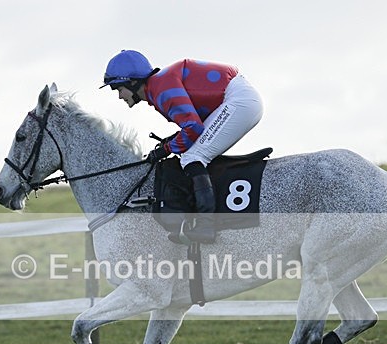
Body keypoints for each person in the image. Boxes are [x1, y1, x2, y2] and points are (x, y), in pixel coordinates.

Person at [100, 50, 264, 244]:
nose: (119, 96)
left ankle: (206, 225)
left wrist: (166, 149)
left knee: (193, 156)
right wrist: (171, 142)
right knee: (191, 151)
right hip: (237, 97)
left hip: (240, 101)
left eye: (118, 89)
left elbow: (194, 127)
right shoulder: (159, 87)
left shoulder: (161, 89)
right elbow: (193, 125)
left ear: (133, 82)